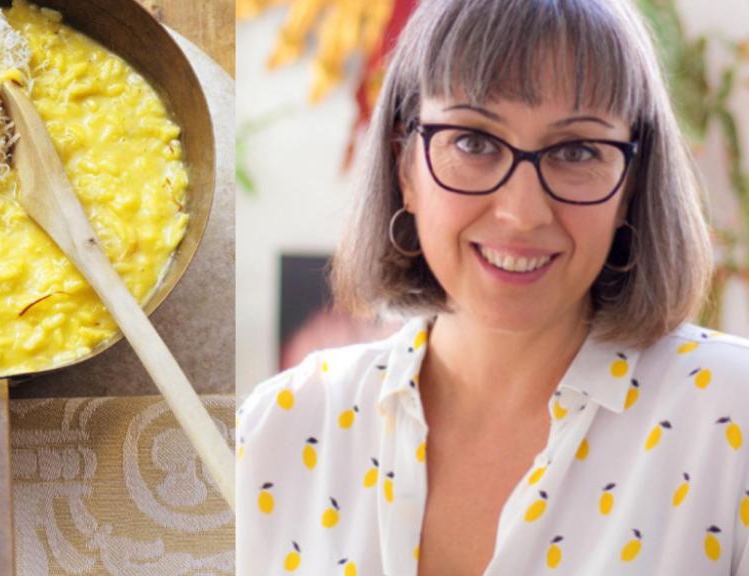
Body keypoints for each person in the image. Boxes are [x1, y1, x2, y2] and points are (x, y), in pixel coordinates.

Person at [235, 0, 749, 574]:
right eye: (475, 142)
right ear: (405, 167)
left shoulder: (734, 415)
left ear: (630, 185)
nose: (522, 213)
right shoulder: (281, 424)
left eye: (577, 151)